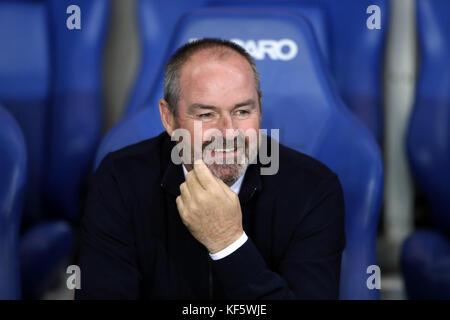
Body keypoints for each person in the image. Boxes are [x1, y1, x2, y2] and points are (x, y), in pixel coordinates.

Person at [75, 38, 345, 300]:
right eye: (206, 114)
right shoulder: (119, 179)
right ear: (168, 118)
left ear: (260, 107)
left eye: (242, 112)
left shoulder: (313, 188)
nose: (228, 133)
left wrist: (227, 243)